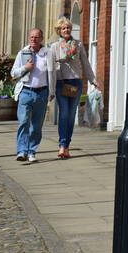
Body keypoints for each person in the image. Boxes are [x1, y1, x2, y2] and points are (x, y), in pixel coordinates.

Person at [47, 17, 98, 158]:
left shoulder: (78, 44)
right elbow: (50, 69)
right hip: (61, 83)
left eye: (68, 28)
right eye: (63, 28)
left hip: (75, 82)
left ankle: (67, 145)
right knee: (63, 114)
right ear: (59, 31)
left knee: (71, 115)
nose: (66, 30)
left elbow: (85, 63)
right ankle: (62, 145)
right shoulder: (54, 47)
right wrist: (51, 90)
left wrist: (92, 79)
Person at [10, 29, 51, 163]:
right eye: (32, 37)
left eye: (37, 37)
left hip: (42, 93)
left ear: (41, 38)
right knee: (23, 122)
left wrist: (52, 92)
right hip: (25, 91)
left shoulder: (47, 54)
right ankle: (21, 151)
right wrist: (25, 68)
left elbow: (52, 74)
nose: (34, 39)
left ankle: (32, 151)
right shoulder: (22, 53)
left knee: (37, 125)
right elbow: (13, 73)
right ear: (29, 38)